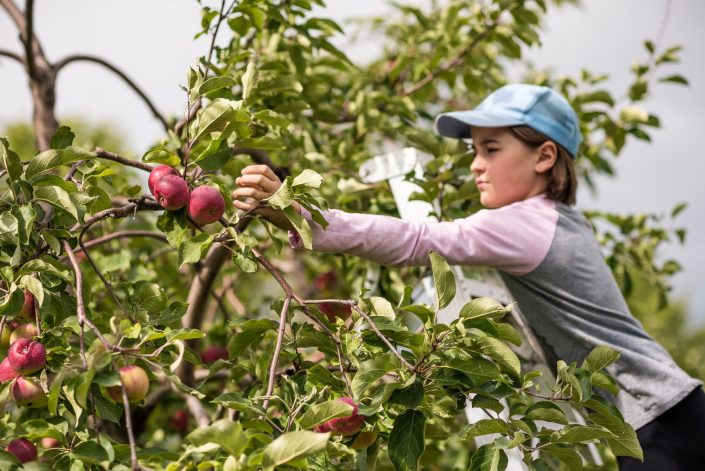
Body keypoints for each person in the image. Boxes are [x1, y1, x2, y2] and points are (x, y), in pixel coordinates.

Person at [232, 83, 705, 470]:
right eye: (475, 150)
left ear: (543, 157)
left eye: (492, 149)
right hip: (667, 414)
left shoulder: (525, 224)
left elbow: (418, 240)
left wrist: (300, 214)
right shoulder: (558, 220)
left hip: (660, 420)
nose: (476, 164)